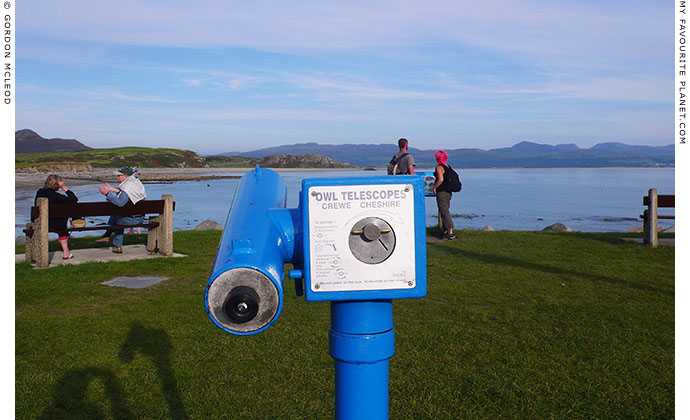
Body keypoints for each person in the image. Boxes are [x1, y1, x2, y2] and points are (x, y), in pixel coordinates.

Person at [95, 166, 147, 253]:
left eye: (119, 176)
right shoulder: (137, 184)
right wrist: (114, 190)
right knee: (118, 215)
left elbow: (120, 203)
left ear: (126, 176)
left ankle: (114, 243)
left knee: (117, 217)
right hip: (140, 218)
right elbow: (127, 194)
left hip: (130, 220)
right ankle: (107, 237)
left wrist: (107, 194)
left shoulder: (126, 187)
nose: (117, 178)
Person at [34, 174, 79, 259]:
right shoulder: (57, 196)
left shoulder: (39, 192)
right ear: (57, 184)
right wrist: (64, 187)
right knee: (62, 228)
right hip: (57, 225)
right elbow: (74, 199)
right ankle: (66, 253)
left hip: (40, 222)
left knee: (59, 221)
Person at [432, 150, 456, 240]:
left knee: (444, 211)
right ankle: (446, 231)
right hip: (449, 192)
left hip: (442, 192)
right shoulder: (448, 167)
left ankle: (450, 231)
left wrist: (435, 187)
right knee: (445, 210)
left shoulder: (439, 167)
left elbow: (440, 179)